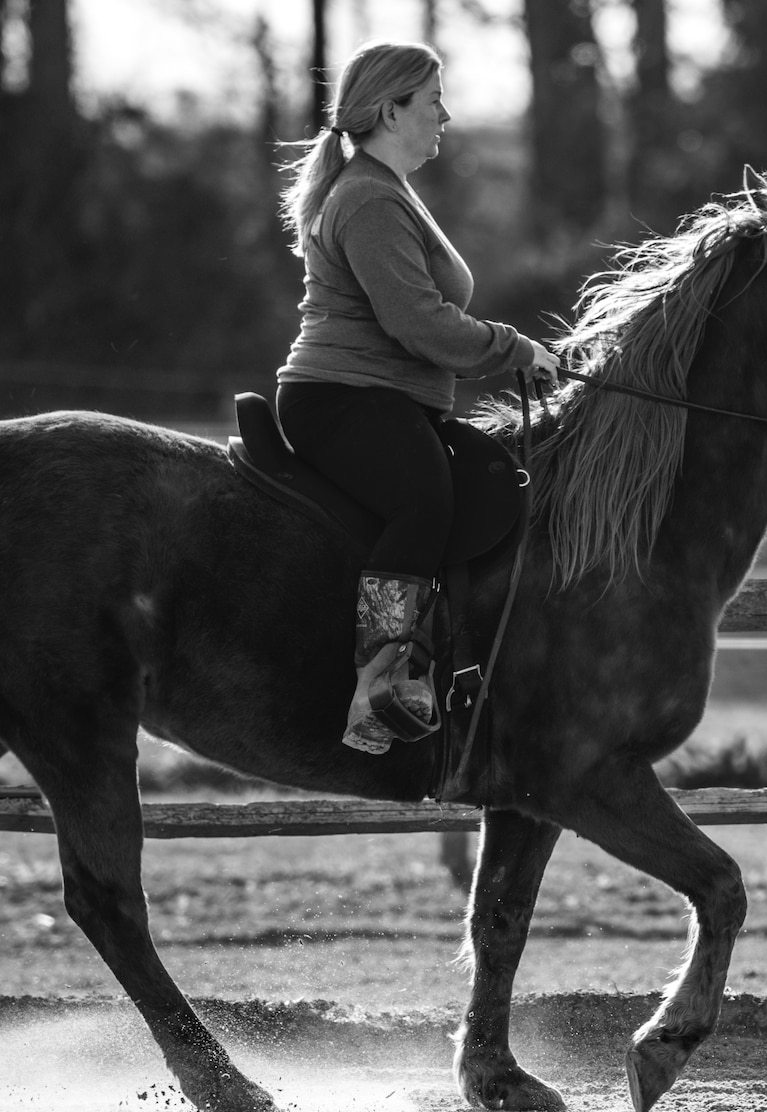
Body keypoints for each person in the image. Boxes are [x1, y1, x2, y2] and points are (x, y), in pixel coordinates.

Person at [277, 40, 558, 755]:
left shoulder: (386, 188)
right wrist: (513, 347)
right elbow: (417, 321)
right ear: (390, 109)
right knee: (424, 498)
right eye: (432, 103)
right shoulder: (369, 197)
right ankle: (375, 685)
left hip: (380, 398)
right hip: (341, 398)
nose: (446, 115)